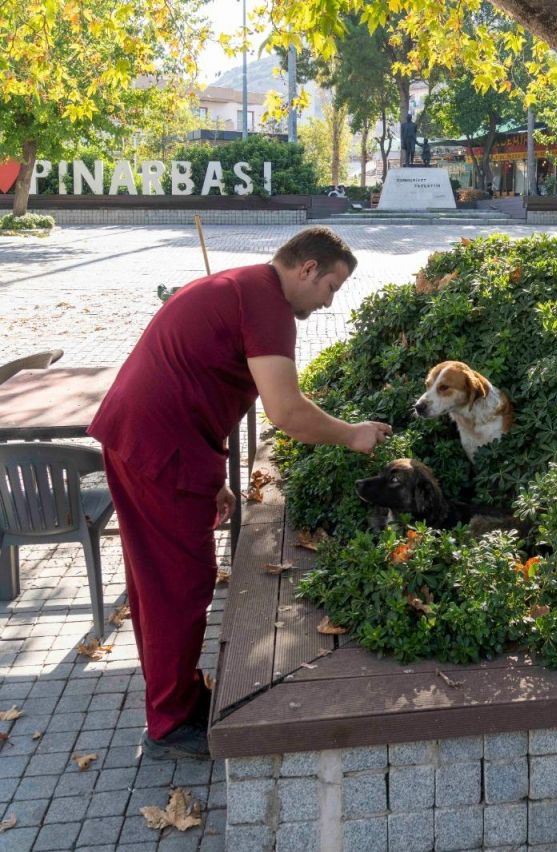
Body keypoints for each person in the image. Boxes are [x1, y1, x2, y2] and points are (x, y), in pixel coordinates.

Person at [88, 227, 392, 760]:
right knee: (176, 585)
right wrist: (353, 434)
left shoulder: (245, 287)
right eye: (331, 287)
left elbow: (203, 382)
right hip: (157, 447)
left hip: (153, 441)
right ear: (306, 269)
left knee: (161, 580)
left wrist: (212, 481)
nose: (328, 302)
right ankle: (168, 725)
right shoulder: (267, 302)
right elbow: (287, 411)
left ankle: (176, 698)